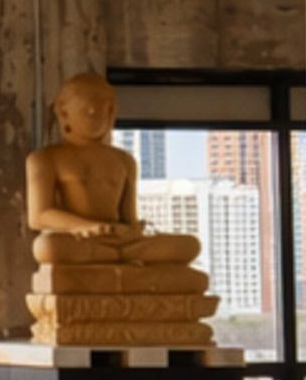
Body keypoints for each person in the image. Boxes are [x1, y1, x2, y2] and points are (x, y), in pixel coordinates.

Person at [25, 73, 201, 265]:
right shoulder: (45, 158)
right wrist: (88, 227)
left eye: (105, 108)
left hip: (119, 241)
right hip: (79, 239)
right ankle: (118, 257)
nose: (96, 113)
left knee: (189, 245)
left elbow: (129, 218)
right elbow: (39, 216)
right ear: (64, 112)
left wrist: (131, 231)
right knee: (47, 247)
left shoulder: (124, 161)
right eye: (87, 109)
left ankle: (116, 255)